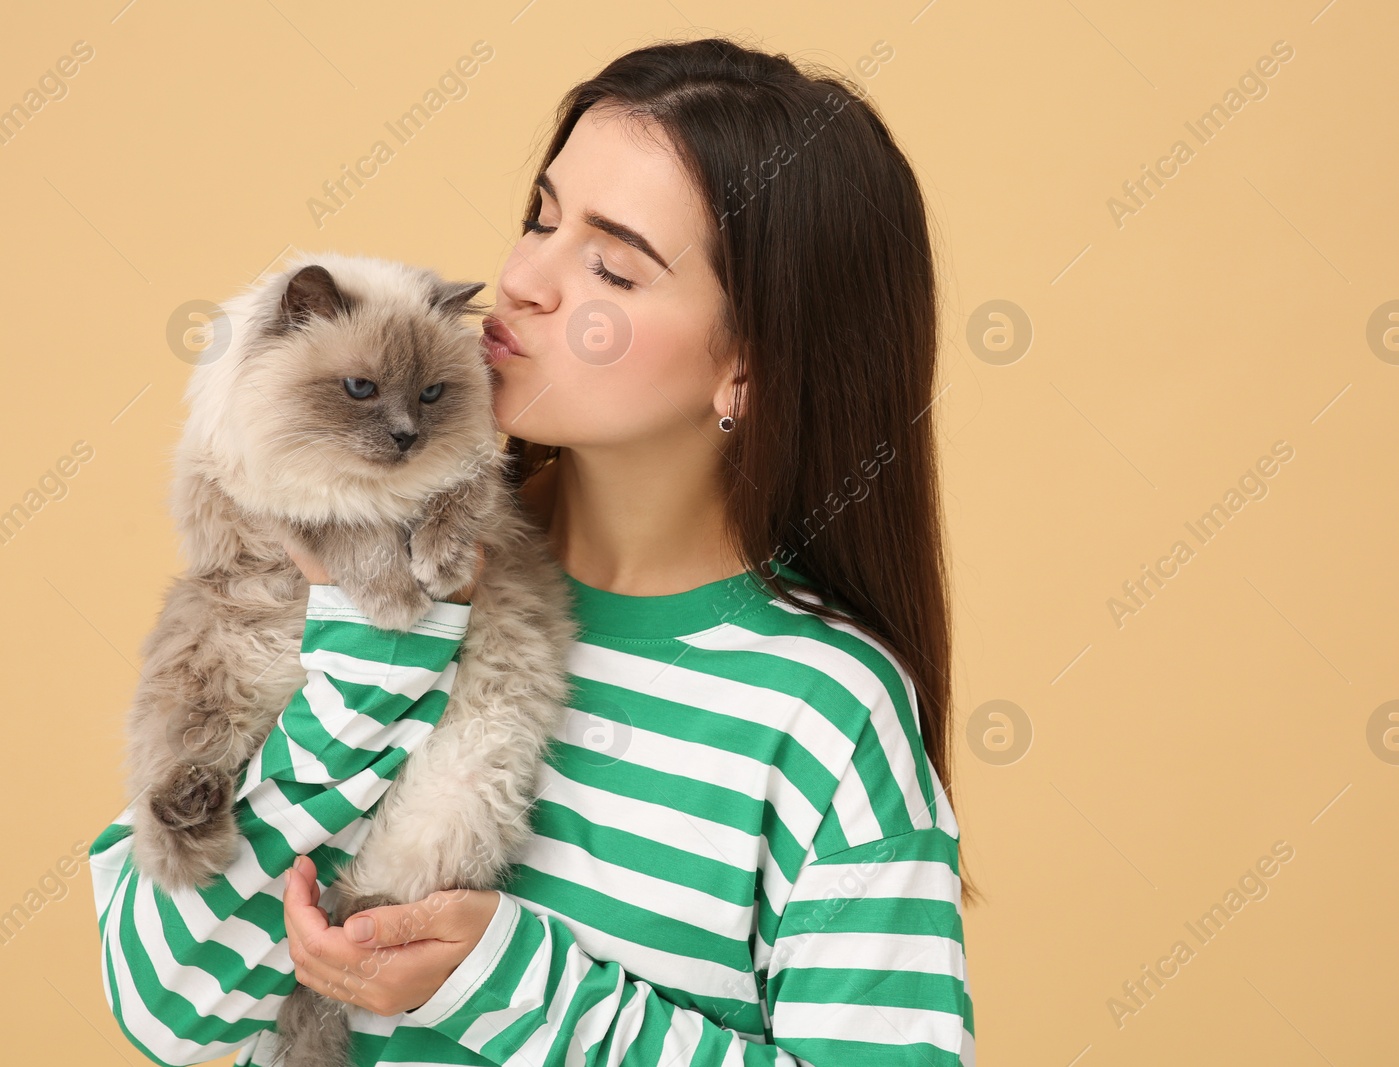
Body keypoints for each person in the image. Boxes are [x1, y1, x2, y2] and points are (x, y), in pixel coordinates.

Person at [89, 35, 974, 1066]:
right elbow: (167, 1005)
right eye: (539, 218)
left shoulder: (817, 710)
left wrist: (509, 985)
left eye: (611, 264)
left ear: (748, 367)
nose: (522, 281)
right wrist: (369, 667)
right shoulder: (353, 550)